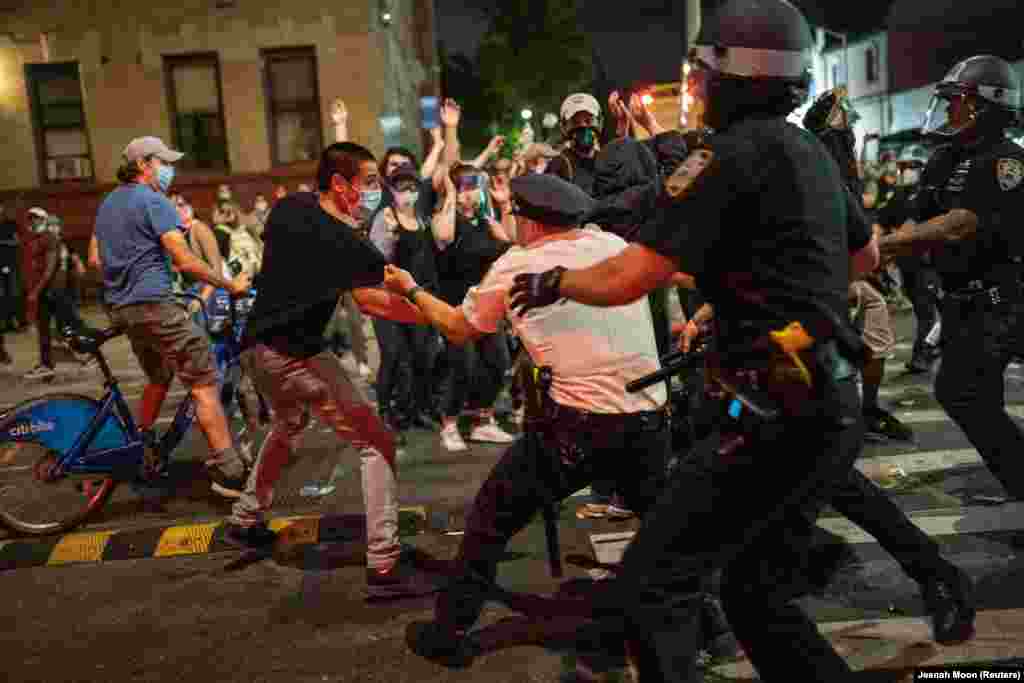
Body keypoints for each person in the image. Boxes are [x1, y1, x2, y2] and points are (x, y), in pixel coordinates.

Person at [508, 1, 879, 679]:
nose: (695, 88)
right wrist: (752, 292)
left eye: (702, 72)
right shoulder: (809, 151)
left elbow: (630, 275)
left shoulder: (724, 157)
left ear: (736, 73)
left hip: (770, 413)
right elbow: (864, 258)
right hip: (826, 401)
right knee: (753, 591)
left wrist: (558, 279)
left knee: (653, 585)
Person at [392, 173, 671, 664]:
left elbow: (459, 327)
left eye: (515, 215)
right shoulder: (612, 244)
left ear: (530, 221)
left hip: (577, 426)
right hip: (649, 416)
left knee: (490, 520)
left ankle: (449, 634)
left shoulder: (517, 264)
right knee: (663, 530)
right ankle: (698, 622)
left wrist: (411, 289)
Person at [223, 141, 441, 599]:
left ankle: (244, 519)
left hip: (256, 347)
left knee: (288, 423)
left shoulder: (288, 207)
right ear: (340, 185)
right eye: (366, 183)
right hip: (292, 355)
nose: (373, 192)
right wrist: (436, 314)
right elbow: (374, 300)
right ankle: (384, 563)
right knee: (376, 440)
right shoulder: (346, 243)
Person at [880, 54, 1024, 503]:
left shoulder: (1007, 161)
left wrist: (882, 249)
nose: (947, 111)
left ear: (983, 106)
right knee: (964, 393)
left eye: (955, 102)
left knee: (963, 392)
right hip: (961, 300)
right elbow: (917, 220)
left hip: (1002, 300)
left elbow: (959, 223)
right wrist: (878, 247)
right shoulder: (945, 158)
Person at [88, 136, 252, 497]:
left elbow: (95, 261)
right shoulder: (154, 201)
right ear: (145, 164)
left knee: (159, 374)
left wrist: (128, 278)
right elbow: (186, 260)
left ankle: (143, 444)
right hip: (155, 306)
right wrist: (229, 285)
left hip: (123, 309)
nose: (169, 170)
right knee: (203, 379)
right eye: (164, 162)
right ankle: (229, 470)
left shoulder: (108, 204)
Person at [803, 87, 914, 442]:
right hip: (826, 267)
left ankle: (863, 408)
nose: (850, 128)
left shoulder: (832, 155)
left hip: (843, 260)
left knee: (870, 317)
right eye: (844, 121)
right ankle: (845, 412)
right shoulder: (823, 156)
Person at [369, 163, 442, 432]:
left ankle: (417, 410)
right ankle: (384, 412)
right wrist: (390, 235)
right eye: (402, 188)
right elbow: (377, 260)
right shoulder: (384, 217)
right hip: (389, 298)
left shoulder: (422, 218)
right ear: (392, 190)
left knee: (421, 355)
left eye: (412, 188)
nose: (408, 193)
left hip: (418, 296)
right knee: (393, 355)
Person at [546, 93, 603, 196]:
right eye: (575, 122)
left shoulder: (608, 161)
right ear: (563, 128)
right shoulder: (558, 164)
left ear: (600, 123)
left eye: (588, 121)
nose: (583, 126)